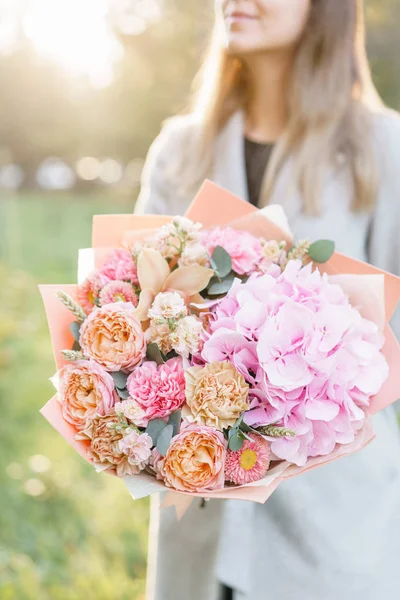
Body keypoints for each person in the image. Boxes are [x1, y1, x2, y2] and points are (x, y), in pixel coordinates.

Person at [136, 1, 400, 599]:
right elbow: (136, 307)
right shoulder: (179, 148)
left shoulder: (382, 146)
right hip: (198, 502)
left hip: (334, 513)